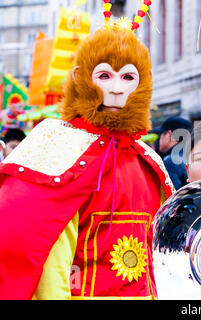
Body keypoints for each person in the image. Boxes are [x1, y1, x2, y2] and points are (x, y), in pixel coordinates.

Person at [0, 9, 174, 300]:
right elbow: (44, 248)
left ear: (144, 82)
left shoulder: (149, 159)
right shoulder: (56, 145)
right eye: (104, 75)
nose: (117, 89)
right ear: (81, 77)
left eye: (128, 77)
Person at [153, 116, 192, 189]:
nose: (158, 140)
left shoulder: (171, 161)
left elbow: (171, 196)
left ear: (169, 134)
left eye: (160, 135)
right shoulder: (194, 155)